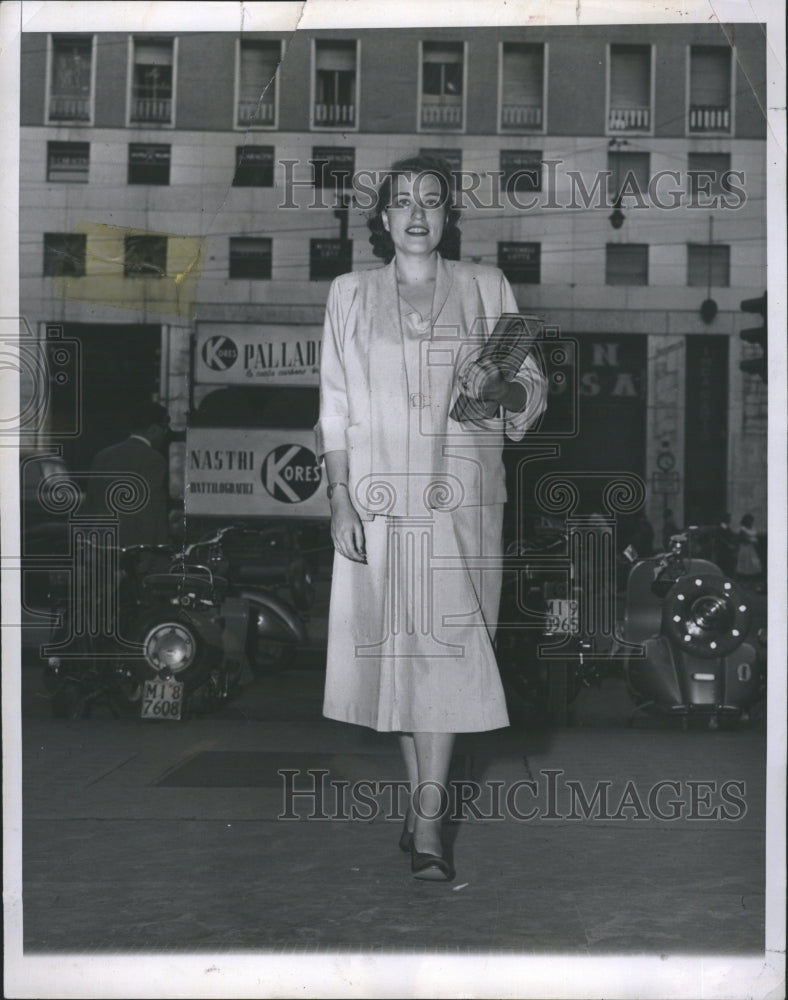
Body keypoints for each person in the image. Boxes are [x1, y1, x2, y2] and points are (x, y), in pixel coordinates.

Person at [315, 155, 547, 882]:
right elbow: (336, 408)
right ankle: (426, 814)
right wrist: (339, 498)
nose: (418, 212)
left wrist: (498, 384)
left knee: (443, 654)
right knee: (401, 662)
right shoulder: (348, 294)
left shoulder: (487, 288)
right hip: (380, 507)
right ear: (383, 220)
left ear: (449, 218)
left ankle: (425, 822)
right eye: (403, 201)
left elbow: (530, 399)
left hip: (460, 503)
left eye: (433, 201)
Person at [84, 401, 171, 555]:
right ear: (153, 429)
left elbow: (91, 505)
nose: (165, 435)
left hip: (100, 546)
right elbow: (151, 513)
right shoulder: (154, 460)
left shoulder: (102, 456)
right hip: (133, 552)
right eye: (164, 429)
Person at [735, 513, 762, 582]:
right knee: (745, 562)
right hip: (745, 548)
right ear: (745, 520)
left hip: (752, 548)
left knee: (753, 562)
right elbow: (742, 539)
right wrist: (750, 540)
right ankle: (744, 578)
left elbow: (755, 537)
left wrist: (755, 542)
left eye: (751, 520)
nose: (750, 521)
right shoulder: (743, 529)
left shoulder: (753, 528)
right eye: (748, 520)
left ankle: (752, 577)